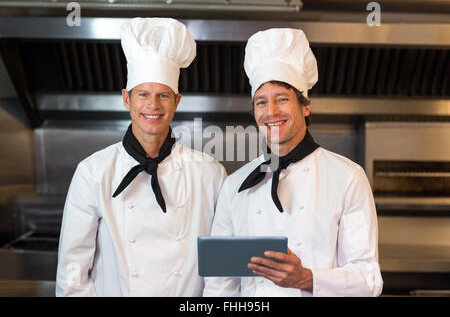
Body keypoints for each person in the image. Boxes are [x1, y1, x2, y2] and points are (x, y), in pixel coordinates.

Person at [203, 28, 383, 297]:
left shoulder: (347, 177)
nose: (271, 112)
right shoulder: (234, 185)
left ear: (305, 106)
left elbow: (368, 279)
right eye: (261, 102)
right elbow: (220, 282)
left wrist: (306, 279)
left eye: (282, 99)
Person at [56, 17, 227, 296]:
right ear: (126, 99)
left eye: (163, 95)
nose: (153, 105)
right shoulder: (94, 171)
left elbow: (220, 271)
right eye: (143, 94)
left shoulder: (209, 173)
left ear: (177, 101)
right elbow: (72, 271)